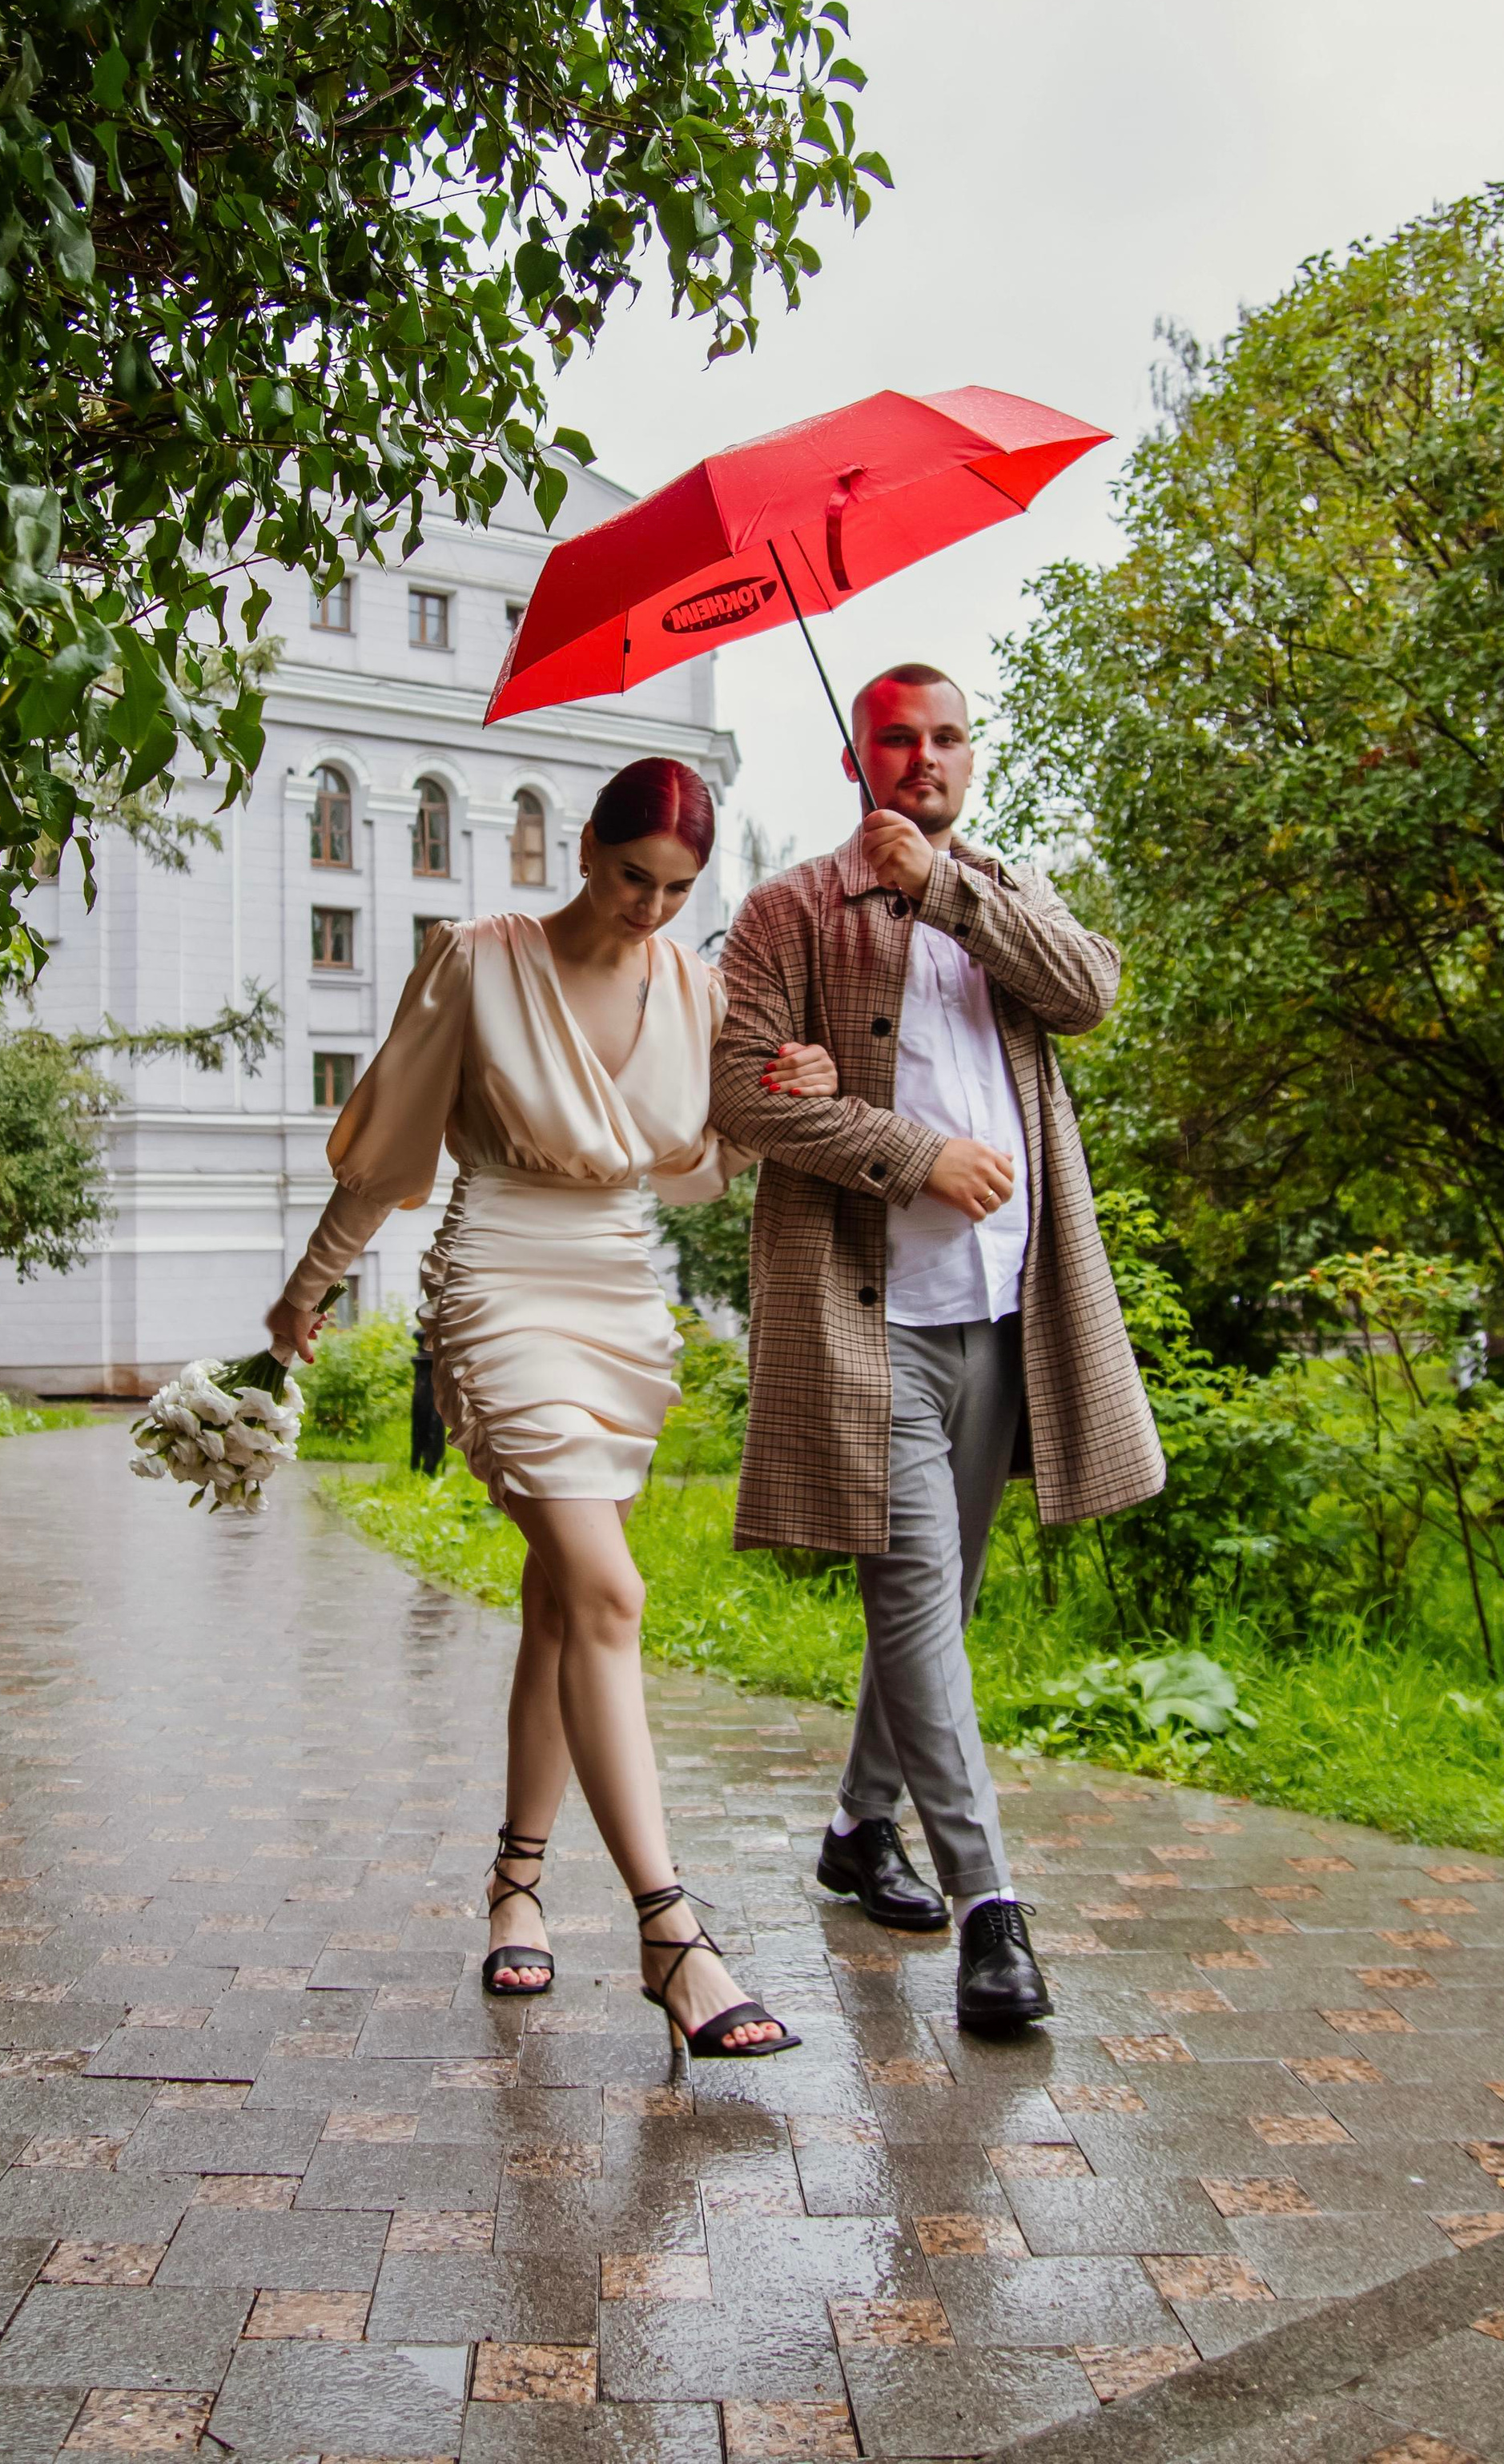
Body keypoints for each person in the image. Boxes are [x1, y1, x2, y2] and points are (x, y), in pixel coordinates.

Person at [268, 755, 838, 2058]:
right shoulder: (478, 959)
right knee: (610, 1591)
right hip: (501, 1281)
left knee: (560, 1602)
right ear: (584, 848)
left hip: (621, 1295)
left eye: (679, 889)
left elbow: (699, 1166)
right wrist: (309, 1288)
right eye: (633, 876)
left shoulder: (698, 989)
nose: (650, 908)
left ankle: (517, 1887)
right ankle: (672, 1937)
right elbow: (394, 1143)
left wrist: (779, 1099)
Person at [710, 666, 1164, 2032]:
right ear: (857, 756)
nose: (924, 758)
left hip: (1007, 1310)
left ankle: (859, 1828)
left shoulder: (1003, 892)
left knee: (938, 1609)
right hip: (871, 1326)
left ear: (971, 756)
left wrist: (952, 890)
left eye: (947, 737)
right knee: (915, 1599)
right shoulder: (789, 910)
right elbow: (741, 1090)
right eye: (897, 738)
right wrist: (910, 1151)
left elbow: (1092, 992)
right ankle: (990, 1912)